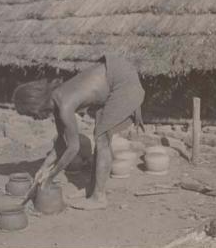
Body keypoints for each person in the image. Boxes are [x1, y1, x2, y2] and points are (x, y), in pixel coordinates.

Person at [12, 54, 145, 210]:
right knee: (101, 135)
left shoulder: (64, 105)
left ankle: (99, 198)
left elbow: (73, 148)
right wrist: (44, 168)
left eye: (30, 114)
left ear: (34, 105)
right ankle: (92, 190)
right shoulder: (56, 99)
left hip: (122, 81)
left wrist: (51, 176)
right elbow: (62, 142)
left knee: (102, 138)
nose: (34, 118)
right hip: (114, 73)